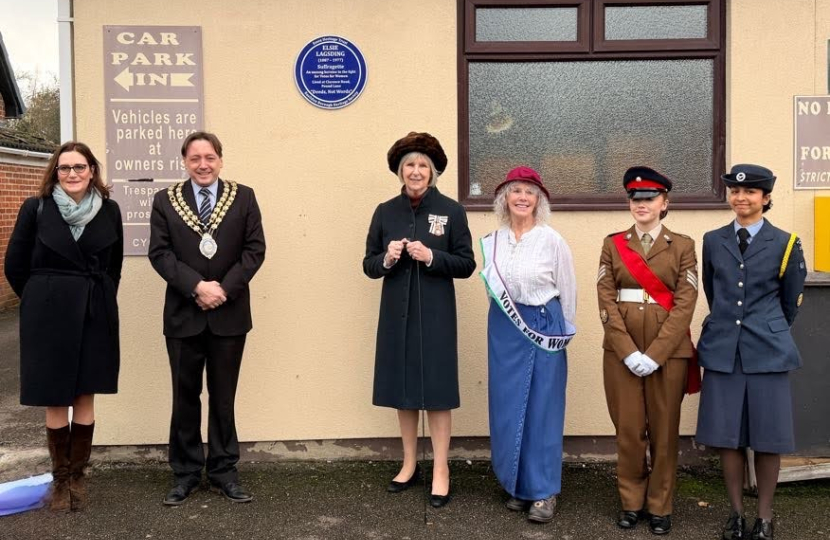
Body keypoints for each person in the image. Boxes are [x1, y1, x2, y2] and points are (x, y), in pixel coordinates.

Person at [4, 141, 123, 512]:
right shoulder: (35, 208)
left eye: (80, 167)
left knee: (85, 394)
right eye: (65, 167)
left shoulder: (110, 210)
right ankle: (59, 482)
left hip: (93, 310)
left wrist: (97, 299)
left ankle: (78, 478)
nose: (72, 174)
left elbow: (114, 267)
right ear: (55, 172)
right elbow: (14, 265)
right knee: (55, 397)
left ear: (92, 171)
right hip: (47, 314)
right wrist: (42, 297)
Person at [149, 131, 265, 506]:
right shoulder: (165, 201)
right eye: (195, 158)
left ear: (220, 160)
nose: (203, 164)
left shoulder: (243, 196)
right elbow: (161, 254)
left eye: (210, 157)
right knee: (185, 398)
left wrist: (223, 290)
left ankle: (224, 471)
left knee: (223, 397)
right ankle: (184, 473)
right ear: (184, 161)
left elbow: (254, 250)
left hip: (229, 314)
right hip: (184, 314)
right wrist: (197, 286)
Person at [363, 131, 476, 508]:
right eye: (409, 165)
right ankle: (409, 463)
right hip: (397, 313)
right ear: (400, 171)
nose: (415, 171)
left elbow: (466, 264)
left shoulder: (452, 210)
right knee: (404, 389)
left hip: (436, 313)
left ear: (432, 172)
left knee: (438, 391)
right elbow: (368, 265)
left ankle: (441, 468)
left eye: (422, 165)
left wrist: (431, 257)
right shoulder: (385, 211)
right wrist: (388, 259)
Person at [695, 164, 806, 540]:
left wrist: (766, 328)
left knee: (768, 437)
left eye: (751, 192)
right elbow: (715, 293)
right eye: (735, 192)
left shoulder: (786, 242)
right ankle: (737, 514)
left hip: (768, 350)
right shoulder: (713, 239)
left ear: (766, 198)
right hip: (724, 349)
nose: (741, 198)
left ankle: (765, 517)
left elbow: (790, 301)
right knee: (727, 436)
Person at [597, 166, 699, 535]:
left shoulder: (684, 245)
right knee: (628, 431)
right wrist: (627, 351)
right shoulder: (613, 244)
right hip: (621, 353)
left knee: (664, 432)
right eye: (635, 199)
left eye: (649, 198)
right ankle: (631, 502)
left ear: (664, 203)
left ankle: (660, 505)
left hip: (667, 354)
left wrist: (655, 354)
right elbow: (606, 299)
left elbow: (686, 303)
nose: (641, 204)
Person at [480, 166, 576, 523]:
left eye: (529, 192)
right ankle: (518, 485)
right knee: (507, 405)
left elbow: (568, 292)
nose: (522, 197)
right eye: (515, 190)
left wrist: (560, 330)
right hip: (505, 327)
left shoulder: (551, 240)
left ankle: (544, 491)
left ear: (539, 200)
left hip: (543, 324)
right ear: (504, 197)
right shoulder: (494, 240)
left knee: (542, 407)